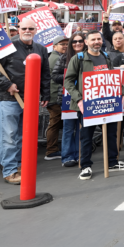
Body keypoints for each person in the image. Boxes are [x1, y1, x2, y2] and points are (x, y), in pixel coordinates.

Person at [64, 30, 124, 179]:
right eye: (93, 39)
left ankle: (112, 162)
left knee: (111, 133)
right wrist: (79, 99)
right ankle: (86, 166)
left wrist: (121, 92)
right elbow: (68, 81)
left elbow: (112, 77)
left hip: (107, 104)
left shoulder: (106, 57)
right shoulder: (79, 59)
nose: (96, 42)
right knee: (86, 137)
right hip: (87, 105)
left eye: (99, 39)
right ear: (86, 42)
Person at [0, 18, 51, 184]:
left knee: (25, 136)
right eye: (24, 28)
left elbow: (45, 74)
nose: (27, 31)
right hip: (10, 99)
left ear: (36, 30)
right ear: (19, 29)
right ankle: (9, 171)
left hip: (31, 99)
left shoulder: (41, 49)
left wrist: (45, 94)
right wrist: (7, 85)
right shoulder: (8, 48)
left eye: (31, 28)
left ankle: (22, 166)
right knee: (9, 136)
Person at [52, 32, 86, 167]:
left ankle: (79, 155)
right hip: (67, 98)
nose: (77, 43)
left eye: (80, 41)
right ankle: (67, 156)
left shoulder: (88, 57)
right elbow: (54, 76)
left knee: (81, 127)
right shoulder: (64, 58)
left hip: (84, 98)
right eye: (74, 41)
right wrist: (70, 77)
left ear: (84, 42)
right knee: (68, 128)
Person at [45, 35, 69, 161]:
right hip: (55, 96)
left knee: (57, 122)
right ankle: (51, 150)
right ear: (54, 47)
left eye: (66, 44)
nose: (65, 46)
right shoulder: (55, 58)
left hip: (55, 95)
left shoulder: (57, 57)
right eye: (62, 44)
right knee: (54, 123)